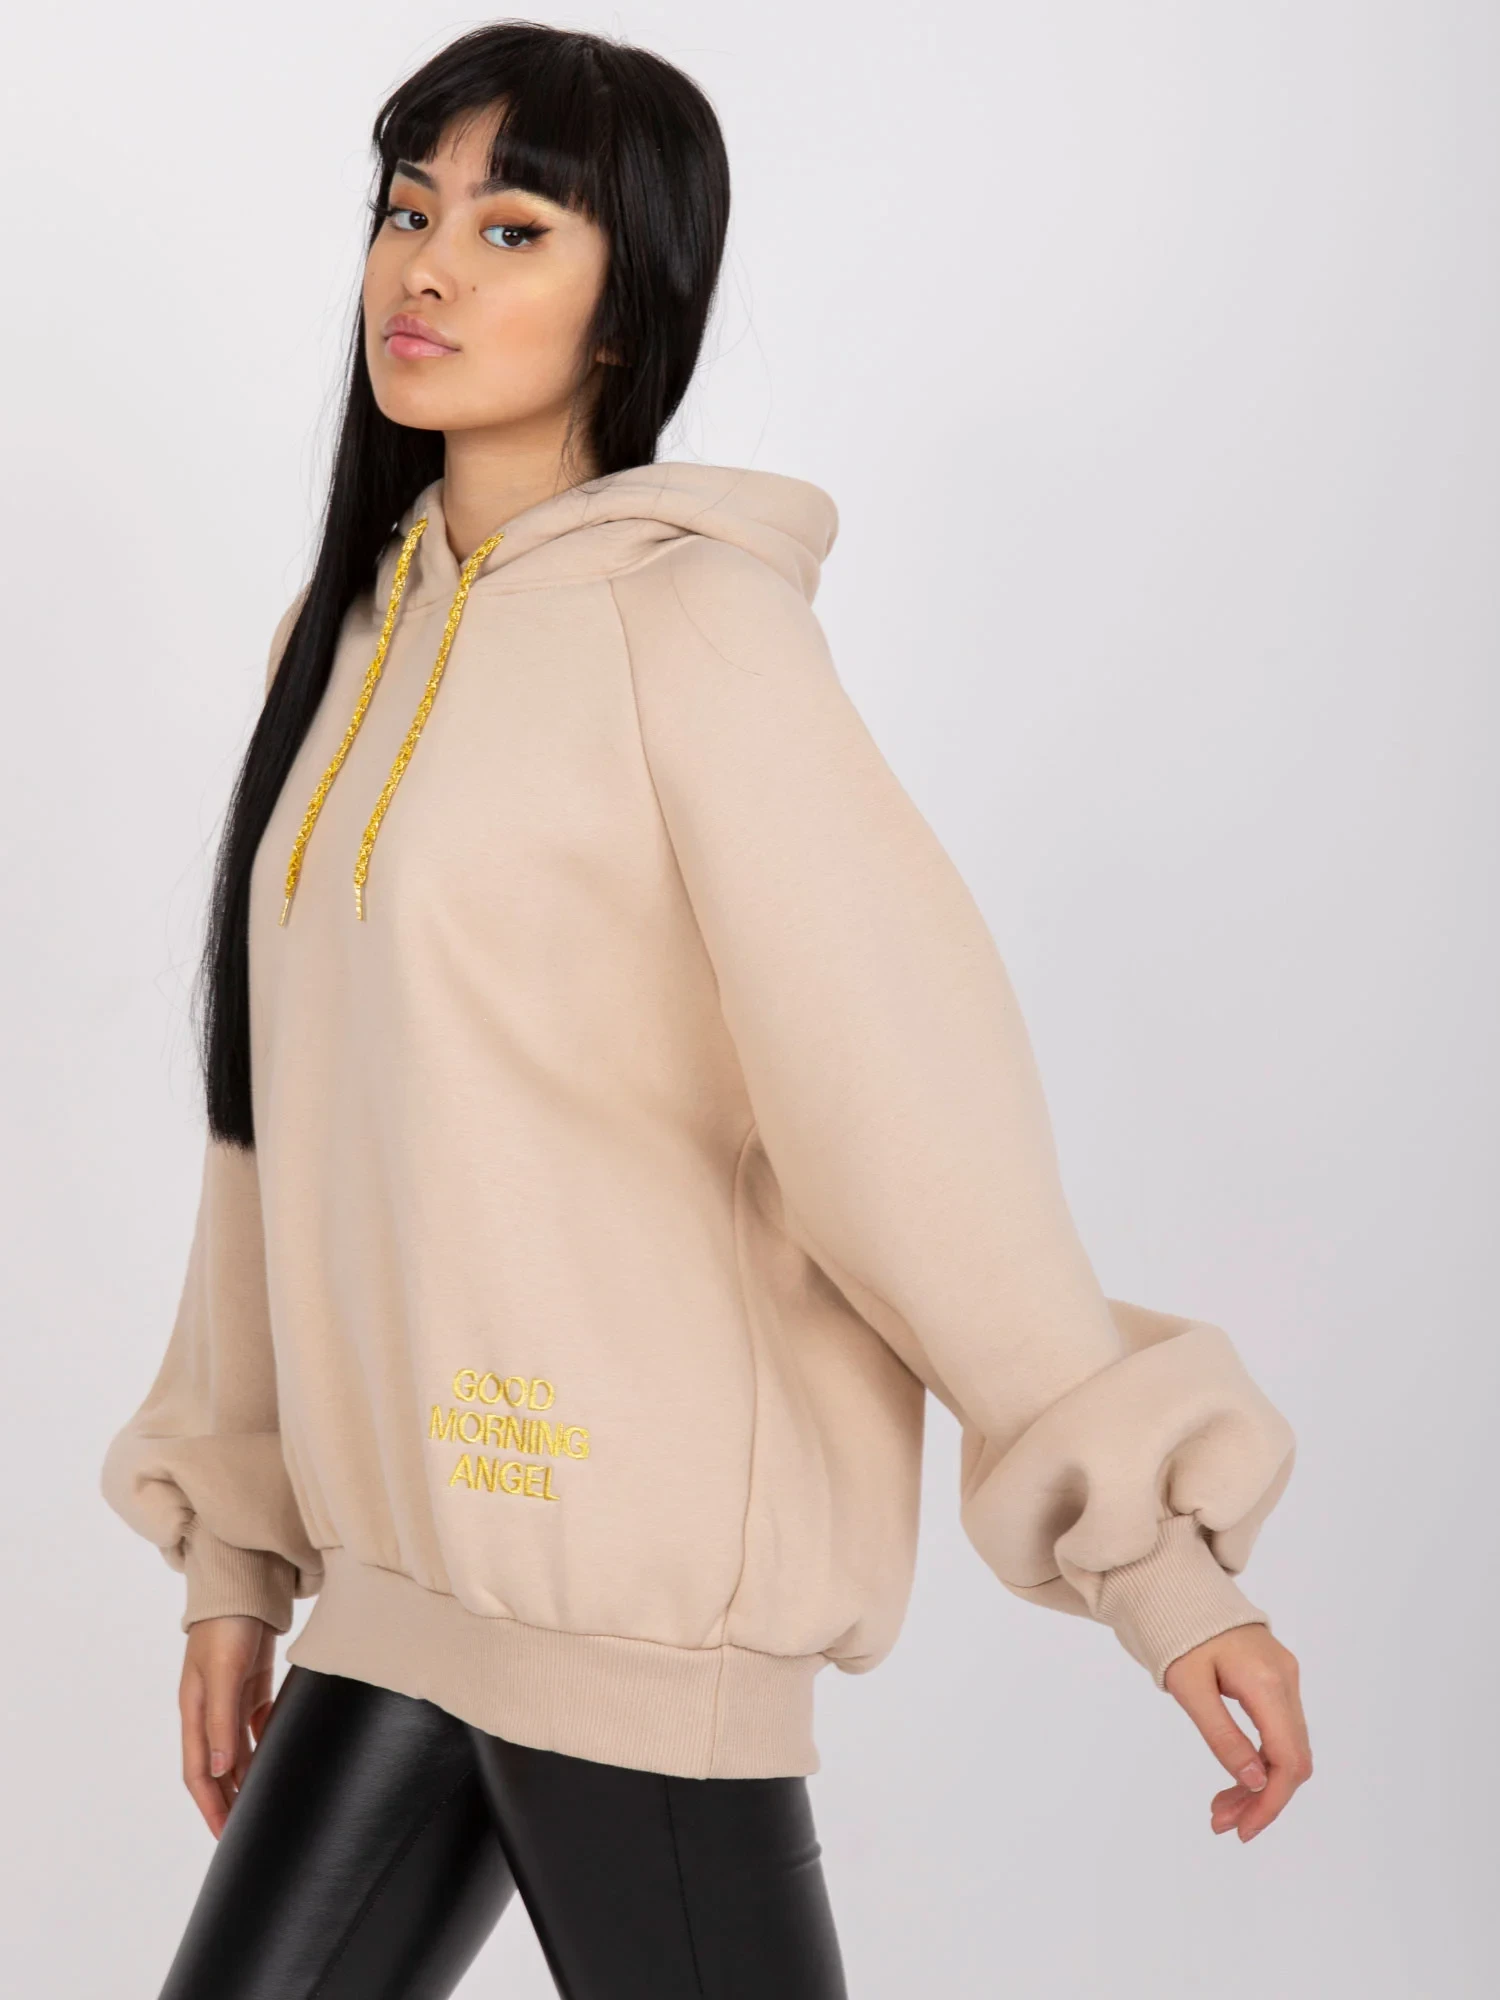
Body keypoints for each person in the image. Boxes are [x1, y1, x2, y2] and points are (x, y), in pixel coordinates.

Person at [100, 20, 1311, 2000]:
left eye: (511, 230)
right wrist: (235, 1547)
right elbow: (277, 1116)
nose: (428, 267)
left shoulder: (698, 631)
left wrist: (1157, 1567)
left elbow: (909, 1119)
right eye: (409, 212)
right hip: (403, 1599)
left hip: (635, 1605)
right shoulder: (339, 643)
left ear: (627, 304)